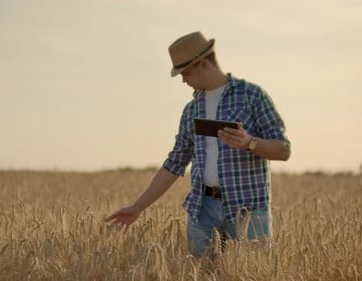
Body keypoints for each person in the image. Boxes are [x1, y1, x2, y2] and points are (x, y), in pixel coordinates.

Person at [105, 31, 291, 257]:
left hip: (248, 211)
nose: (183, 81)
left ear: (201, 64)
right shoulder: (191, 110)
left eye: (184, 73)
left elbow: (283, 150)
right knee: (199, 273)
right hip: (202, 210)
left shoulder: (252, 96)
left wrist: (250, 143)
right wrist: (137, 208)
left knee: (253, 273)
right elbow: (174, 164)